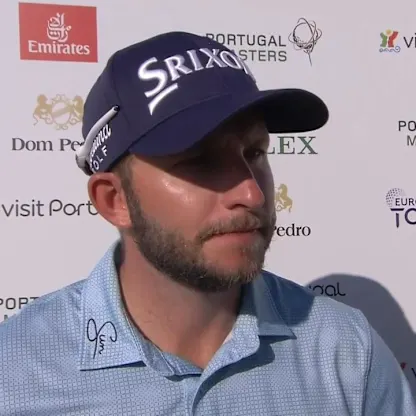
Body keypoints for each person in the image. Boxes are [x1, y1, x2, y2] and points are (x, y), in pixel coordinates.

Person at [0, 31, 414, 416]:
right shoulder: (15, 373)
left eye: (255, 152)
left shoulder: (347, 353)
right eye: (200, 161)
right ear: (115, 200)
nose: (252, 194)